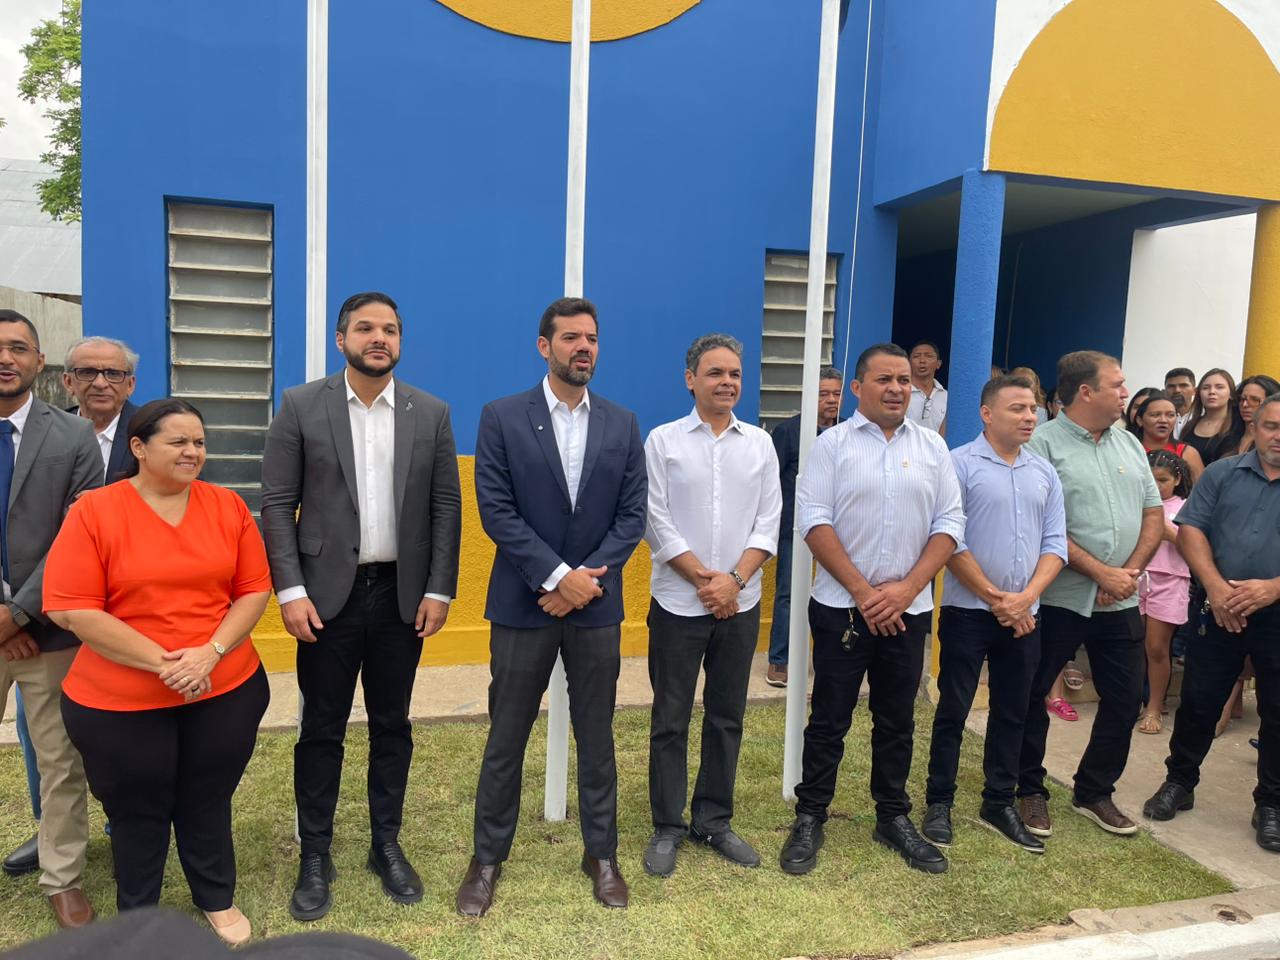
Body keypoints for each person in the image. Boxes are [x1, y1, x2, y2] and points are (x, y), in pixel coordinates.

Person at [261, 292, 463, 921]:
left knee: (392, 725)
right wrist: (290, 591)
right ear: (341, 338)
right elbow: (277, 504)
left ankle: (386, 844)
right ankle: (315, 854)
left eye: (391, 330)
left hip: (401, 597)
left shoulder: (430, 412)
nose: (380, 338)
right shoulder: (301, 405)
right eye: (367, 328)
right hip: (327, 599)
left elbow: (446, 505)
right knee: (321, 728)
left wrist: (439, 588)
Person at [45, 399, 272, 945]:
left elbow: (253, 589)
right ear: (139, 448)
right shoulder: (95, 512)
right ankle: (139, 911)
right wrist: (164, 663)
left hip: (222, 685)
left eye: (199, 442)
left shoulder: (227, 506)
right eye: (179, 441)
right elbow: (71, 608)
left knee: (207, 797)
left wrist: (210, 653)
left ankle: (216, 896)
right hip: (119, 700)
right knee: (136, 808)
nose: (193, 451)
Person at [457, 297, 647, 916]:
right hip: (523, 603)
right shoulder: (502, 417)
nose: (583, 347)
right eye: (570, 338)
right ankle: (487, 860)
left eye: (591, 338)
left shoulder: (622, 423)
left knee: (597, 735)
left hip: (595, 605)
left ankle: (602, 855)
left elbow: (631, 515)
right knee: (506, 736)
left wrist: (585, 583)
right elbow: (496, 510)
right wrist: (559, 577)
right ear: (544, 346)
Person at [779, 343, 964, 876]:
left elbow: (950, 524)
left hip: (909, 609)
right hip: (842, 608)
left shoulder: (932, 447)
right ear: (858, 388)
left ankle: (892, 816)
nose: (897, 388)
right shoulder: (830, 445)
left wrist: (906, 590)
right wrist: (865, 593)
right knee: (829, 719)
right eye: (884, 379)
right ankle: (811, 815)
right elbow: (814, 521)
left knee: (897, 719)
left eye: (904, 380)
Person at [641, 334, 781, 878]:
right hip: (678, 602)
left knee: (727, 717)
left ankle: (713, 820)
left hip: (739, 605)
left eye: (735, 374)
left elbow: (768, 519)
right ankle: (667, 825)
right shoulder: (663, 441)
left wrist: (734, 581)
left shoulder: (760, 444)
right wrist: (704, 579)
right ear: (690, 379)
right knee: (670, 719)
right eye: (716, 372)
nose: (727, 382)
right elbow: (654, 518)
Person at [1016, 350, 1163, 839]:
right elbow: (1042, 526)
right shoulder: (1040, 445)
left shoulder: (1129, 444)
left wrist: (1127, 573)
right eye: (1117, 385)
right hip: (1058, 598)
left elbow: (1152, 513)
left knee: (1126, 697)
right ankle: (1028, 788)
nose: (1126, 393)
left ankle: (1094, 790)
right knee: (1032, 692)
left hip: (1120, 599)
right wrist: (1102, 572)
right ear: (1085, 392)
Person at [921, 375, 1066, 855]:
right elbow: (949, 540)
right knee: (954, 709)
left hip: (1025, 616)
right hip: (969, 613)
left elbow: (1055, 544)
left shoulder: (1043, 472)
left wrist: (1025, 598)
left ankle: (999, 801)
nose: (1029, 417)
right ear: (987, 414)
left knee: (1014, 710)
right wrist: (998, 598)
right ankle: (939, 802)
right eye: (1017, 408)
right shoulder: (958, 464)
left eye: (1033, 408)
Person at [1142, 391, 1280, 854]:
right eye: (1271, 426)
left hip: (1278, 610)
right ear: (1254, 429)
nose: (1278, 436)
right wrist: (1216, 587)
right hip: (1217, 607)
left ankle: (1272, 804)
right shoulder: (1222, 474)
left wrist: (1273, 588)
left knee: (1278, 712)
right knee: (1199, 702)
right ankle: (1179, 783)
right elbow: (1192, 530)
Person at [0, 310, 102, 929]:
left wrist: (18, 615)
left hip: (47, 633)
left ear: (41, 362)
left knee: (61, 761)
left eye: (19, 347)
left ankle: (62, 878)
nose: (5, 358)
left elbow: (75, 536)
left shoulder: (74, 437)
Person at [765, 365, 842, 687]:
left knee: (836, 593)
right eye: (823, 394)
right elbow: (771, 482)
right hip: (795, 528)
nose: (831, 400)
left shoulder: (848, 433)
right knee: (789, 594)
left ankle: (834, 658)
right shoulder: (788, 432)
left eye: (836, 394)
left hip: (839, 530)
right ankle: (780, 659)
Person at [1136, 450, 1194, 735]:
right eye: (1151, 480)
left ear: (1177, 479)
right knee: (1133, 645)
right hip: (1136, 578)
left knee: (1157, 648)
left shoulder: (1185, 507)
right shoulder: (1135, 503)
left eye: (1163, 480)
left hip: (1170, 581)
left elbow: (1195, 549)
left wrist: (1165, 529)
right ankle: (1131, 701)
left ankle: (1155, 706)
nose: (1157, 486)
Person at [62, 336, 141, 483]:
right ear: (68, 382)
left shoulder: (151, 431)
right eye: (87, 373)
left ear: (130, 385)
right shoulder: (50, 429)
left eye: (113, 374)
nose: (100, 384)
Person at [1132, 391, 1205, 481]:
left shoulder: (1188, 453)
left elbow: (1202, 487)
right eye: (1155, 415)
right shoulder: (1130, 451)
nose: (1163, 420)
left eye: (1170, 415)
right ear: (1140, 420)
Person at [1181, 368, 1243, 466]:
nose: (1211, 392)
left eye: (1219, 387)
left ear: (1231, 394)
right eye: (1205, 388)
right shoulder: (1189, 426)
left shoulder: (1239, 426)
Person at [1231, 375, 1280, 457]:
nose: (1245, 404)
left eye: (1255, 400)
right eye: (1242, 399)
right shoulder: (1228, 437)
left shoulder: (1274, 442)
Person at [906, 340, 947, 436]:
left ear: (938, 364)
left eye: (928, 356)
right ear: (908, 363)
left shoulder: (946, 396)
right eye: (916, 356)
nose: (922, 361)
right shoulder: (901, 393)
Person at [1164, 367, 1197, 439]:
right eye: (1171, 386)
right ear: (1164, 392)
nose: (1177, 390)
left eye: (1183, 385)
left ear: (1194, 390)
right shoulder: (1159, 418)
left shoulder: (1204, 416)